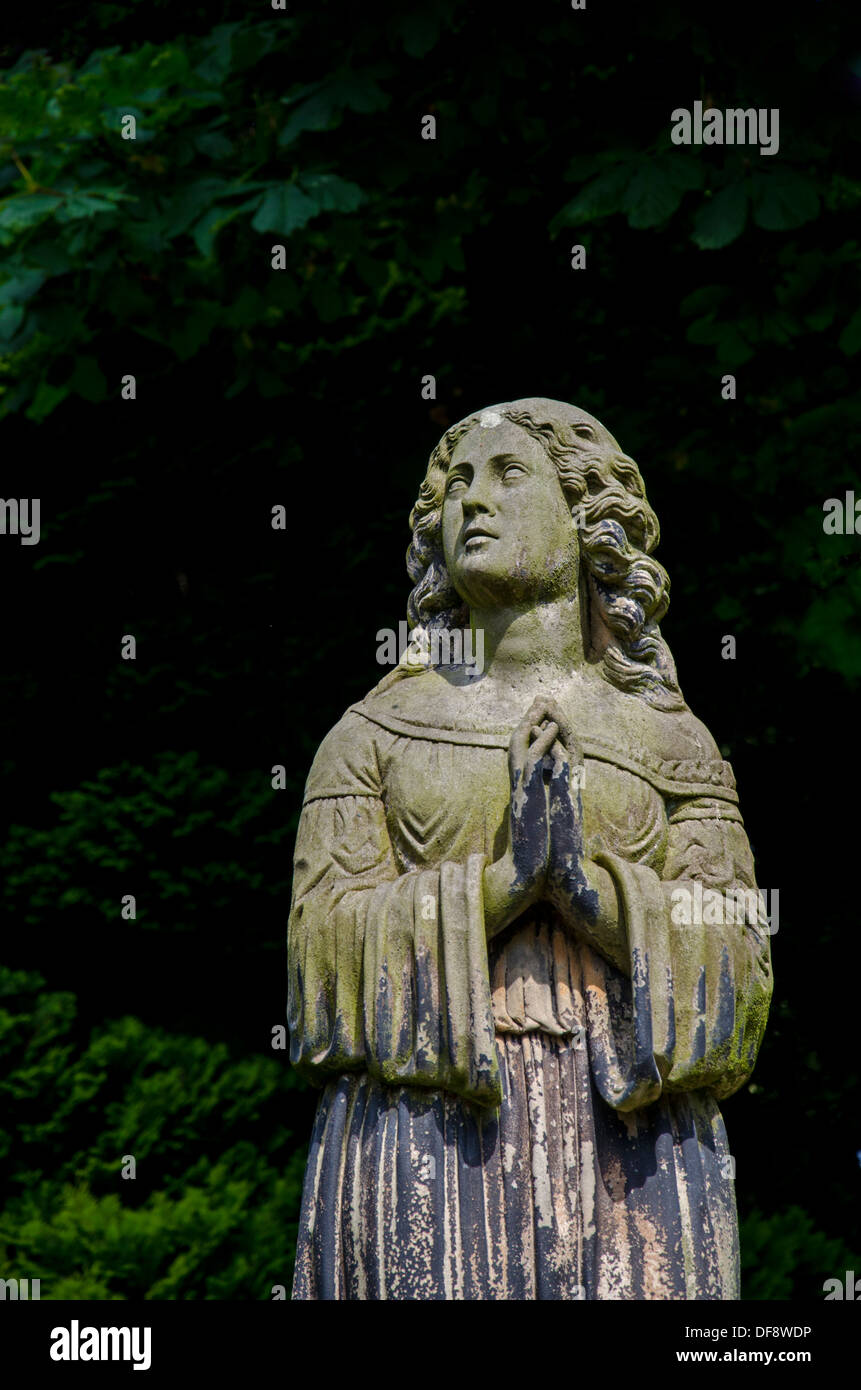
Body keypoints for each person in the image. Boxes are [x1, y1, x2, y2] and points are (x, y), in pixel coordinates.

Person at [287, 398, 773, 1300]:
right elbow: (319, 958)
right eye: (456, 485)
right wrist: (505, 886)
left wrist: (589, 894)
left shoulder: (672, 743)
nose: (472, 502)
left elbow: (740, 963)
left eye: (508, 476)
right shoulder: (373, 734)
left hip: (632, 1135)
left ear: (586, 518)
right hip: (425, 1130)